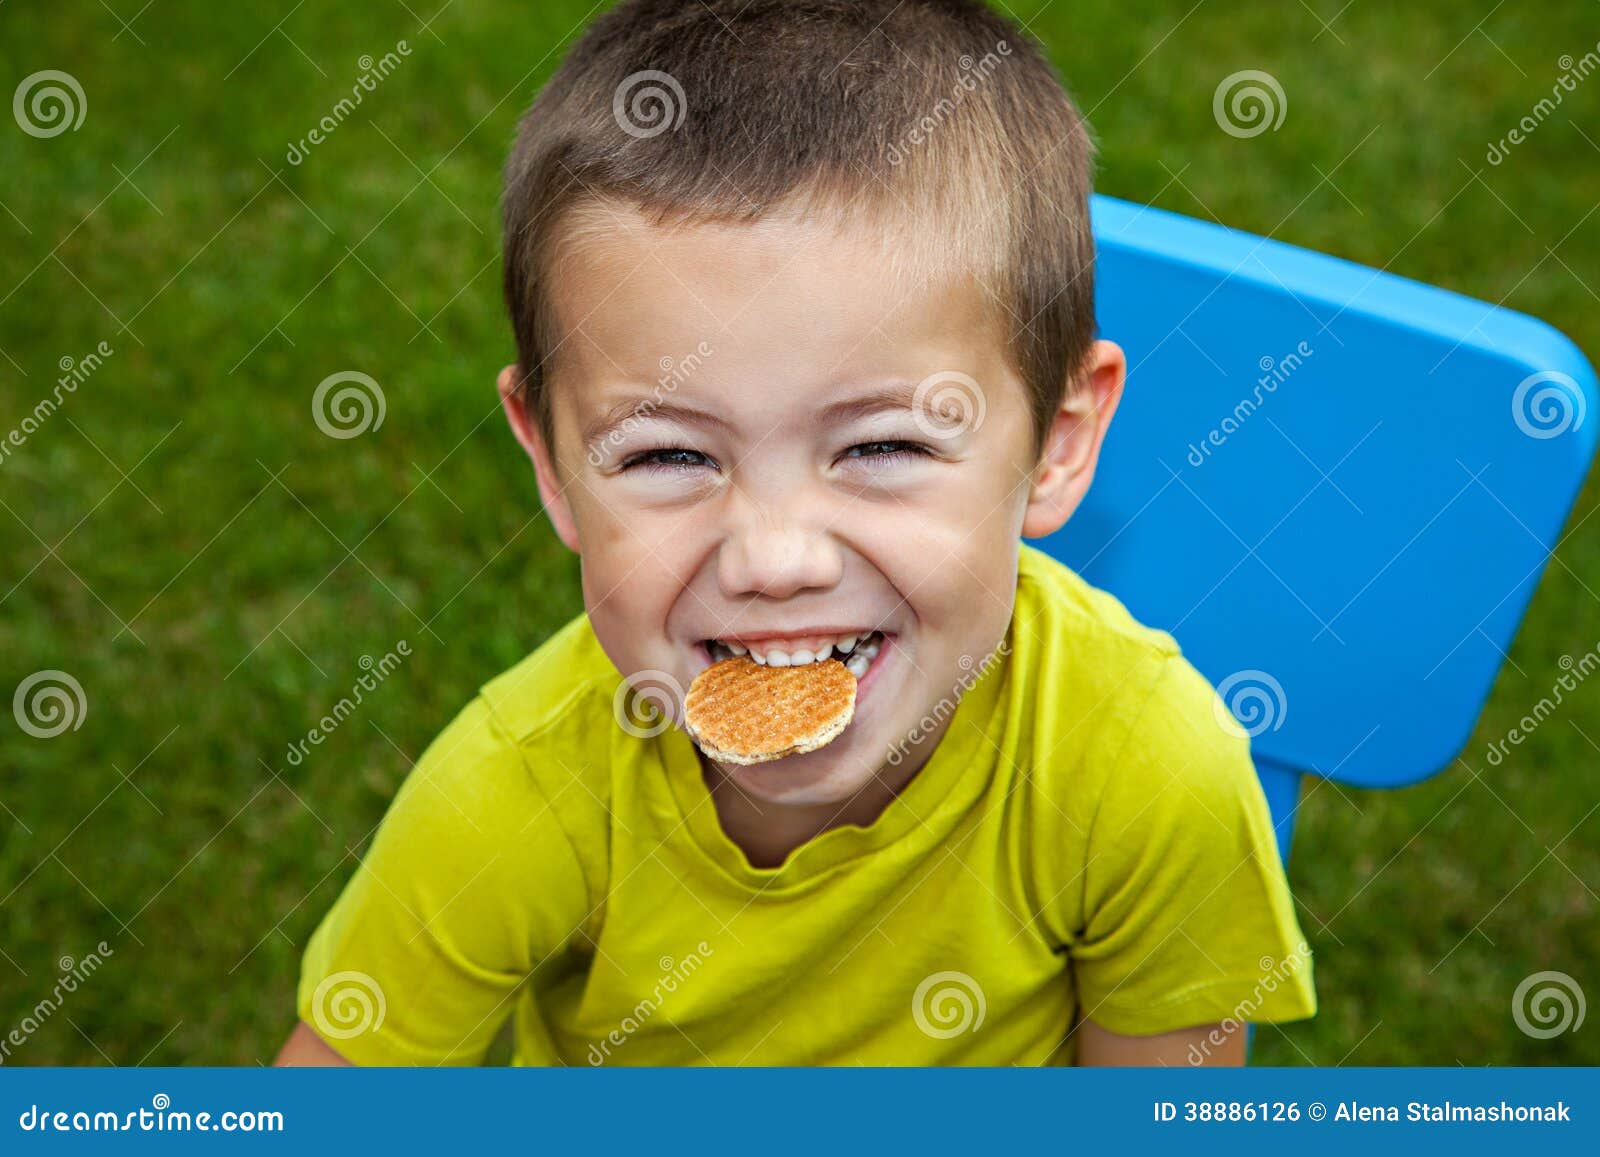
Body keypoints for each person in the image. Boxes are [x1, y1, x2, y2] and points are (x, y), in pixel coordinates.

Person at [276, 0, 1315, 1067]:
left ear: (1056, 441)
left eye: (881, 448)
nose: (772, 560)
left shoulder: (1143, 768)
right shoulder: (521, 791)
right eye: (668, 456)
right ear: (550, 461)